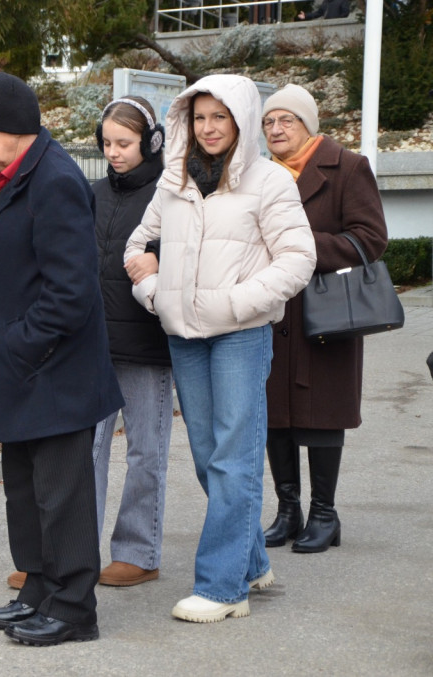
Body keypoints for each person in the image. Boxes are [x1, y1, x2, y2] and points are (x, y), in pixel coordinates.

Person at [125, 74, 316, 623]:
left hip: (240, 335)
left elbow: (298, 260)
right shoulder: (173, 180)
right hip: (184, 335)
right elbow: (139, 247)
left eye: (221, 117)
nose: (209, 128)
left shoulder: (270, 181)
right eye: (200, 117)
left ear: (241, 120)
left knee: (233, 457)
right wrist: (155, 292)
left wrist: (238, 303)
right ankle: (251, 560)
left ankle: (223, 588)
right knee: (211, 459)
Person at [0, 72, 124, 646]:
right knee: (25, 490)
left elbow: (71, 293)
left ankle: (75, 607)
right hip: (23, 370)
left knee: (64, 495)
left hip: (54, 373)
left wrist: (15, 342)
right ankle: (38, 586)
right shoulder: (12, 174)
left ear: (11, 128)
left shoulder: (53, 179)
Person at [261, 84, 388, 553]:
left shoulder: (349, 167)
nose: (276, 129)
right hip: (272, 310)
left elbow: (370, 238)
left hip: (327, 311)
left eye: (286, 120)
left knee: (321, 415)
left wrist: (301, 248)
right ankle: (287, 512)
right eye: (269, 122)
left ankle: (324, 515)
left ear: (308, 124)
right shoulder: (259, 174)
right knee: (275, 417)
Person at [91, 97, 174, 586]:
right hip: (93, 346)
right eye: (107, 143)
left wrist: (161, 260)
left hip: (148, 346)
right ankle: (73, 553)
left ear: (151, 141)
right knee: (85, 452)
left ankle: (139, 553)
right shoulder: (91, 192)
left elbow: (191, 248)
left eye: (124, 143)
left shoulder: (171, 192)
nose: (114, 152)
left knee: (146, 451)